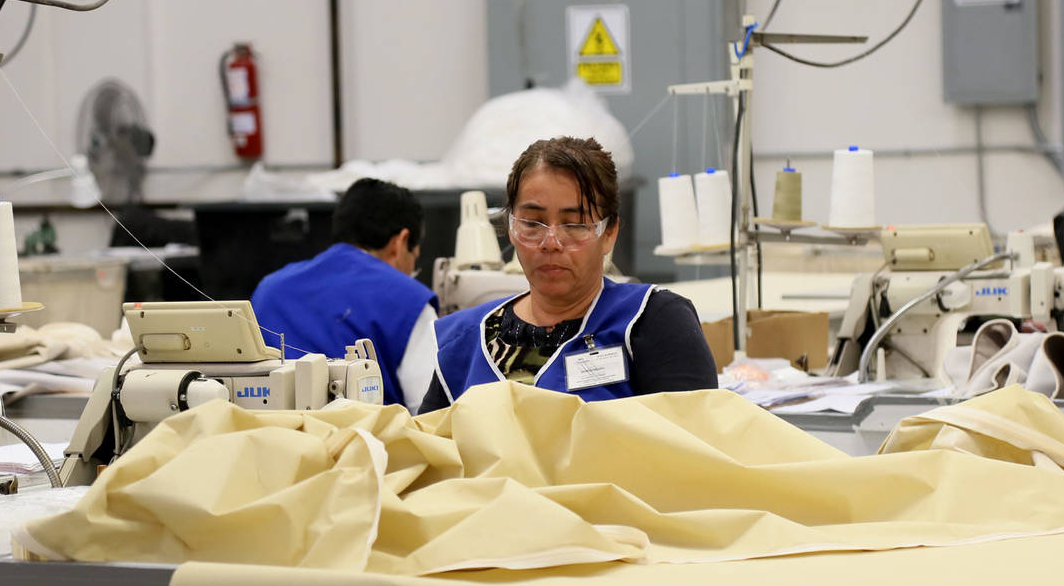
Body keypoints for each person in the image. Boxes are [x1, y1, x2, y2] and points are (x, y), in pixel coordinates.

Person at [419, 136, 717, 411]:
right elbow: (430, 446)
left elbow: (692, 441)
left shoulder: (651, 321)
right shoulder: (462, 342)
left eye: (574, 225)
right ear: (510, 227)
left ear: (609, 233)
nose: (551, 242)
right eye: (532, 224)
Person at [251, 178, 439, 410]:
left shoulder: (269, 290)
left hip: (270, 432)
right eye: (415, 257)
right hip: (365, 433)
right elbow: (430, 411)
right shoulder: (410, 302)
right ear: (401, 242)